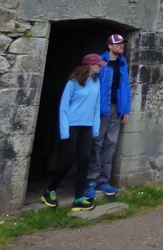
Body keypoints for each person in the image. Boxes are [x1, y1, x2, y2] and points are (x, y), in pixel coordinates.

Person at [40, 53, 106, 211]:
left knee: (84, 160)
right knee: (69, 160)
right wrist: (64, 130)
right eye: (98, 64)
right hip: (72, 126)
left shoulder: (96, 83)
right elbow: (64, 107)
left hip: (87, 127)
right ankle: (50, 191)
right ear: (90, 65)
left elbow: (96, 107)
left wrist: (95, 128)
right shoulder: (73, 83)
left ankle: (79, 198)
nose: (101, 66)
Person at [85, 33, 131, 199]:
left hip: (115, 109)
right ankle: (91, 180)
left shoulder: (122, 63)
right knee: (97, 143)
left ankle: (103, 180)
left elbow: (125, 87)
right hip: (100, 110)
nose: (121, 46)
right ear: (109, 46)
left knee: (111, 144)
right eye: (118, 44)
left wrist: (125, 109)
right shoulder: (100, 63)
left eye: (122, 44)